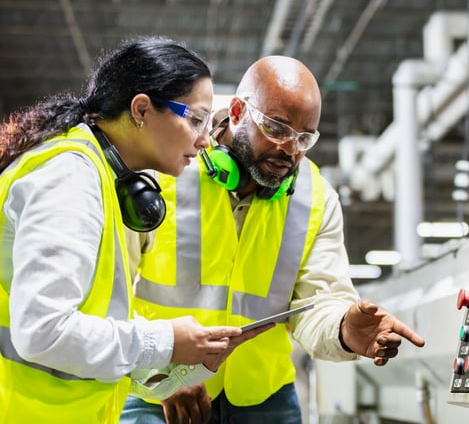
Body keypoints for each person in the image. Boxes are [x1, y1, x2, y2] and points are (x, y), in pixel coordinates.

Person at [121, 55, 426, 424]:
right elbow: (109, 294)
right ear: (236, 111)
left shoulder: (315, 197)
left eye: (304, 137)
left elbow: (320, 303)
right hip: (158, 388)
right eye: (277, 128)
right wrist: (160, 369)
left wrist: (344, 329)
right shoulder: (167, 167)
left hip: (264, 400)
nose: (290, 149)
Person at [0, 36, 272, 424]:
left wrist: (162, 372)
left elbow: (88, 317)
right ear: (142, 109)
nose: (203, 139)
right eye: (195, 118)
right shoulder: (70, 177)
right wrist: (165, 342)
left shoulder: (98, 175)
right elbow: (44, 332)